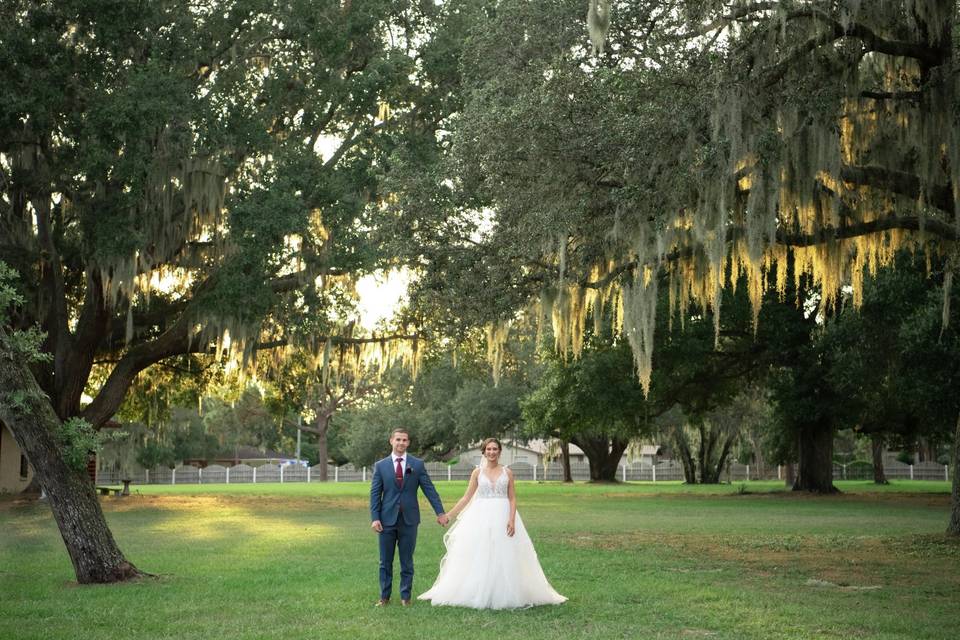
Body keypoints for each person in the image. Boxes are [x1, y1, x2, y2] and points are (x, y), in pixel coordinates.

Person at [418, 437, 567, 609]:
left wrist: (511, 520)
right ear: (484, 452)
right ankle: (478, 589)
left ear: (499, 452)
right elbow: (466, 497)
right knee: (481, 552)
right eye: (488, 449)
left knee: (506, 552)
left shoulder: (508, 472)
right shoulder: (477, 473)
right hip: (480, 517)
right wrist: (448, 515)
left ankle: (505, 590)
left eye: (495, 449)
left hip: (503, 516)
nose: (491, 452)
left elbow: (512, 498)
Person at [370, 427, 448, 606]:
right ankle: (384, 597)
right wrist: (375, 518)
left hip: (409, 520)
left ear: (408, 443)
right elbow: (375, 494)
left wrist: (440, 512)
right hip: (386, 520)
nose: (401, 443)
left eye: (404, 440)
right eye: (398, 439)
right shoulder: (381, 466)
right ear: (391, 441)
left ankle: (406, 597)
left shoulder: (417, 464)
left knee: (407, 561)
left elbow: (430, 490)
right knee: (385, 562)